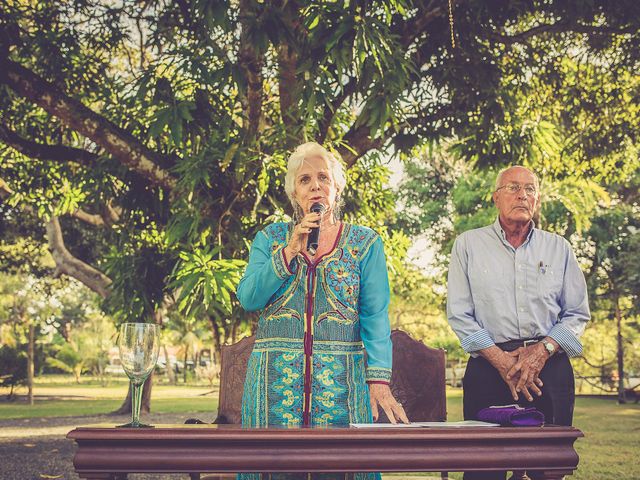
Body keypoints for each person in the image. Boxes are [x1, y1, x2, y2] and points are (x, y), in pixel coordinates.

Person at [236, 142, 408, 480]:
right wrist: (287, 253)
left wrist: (378, 380)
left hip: (343, 384)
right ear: (294, 194)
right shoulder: (270, 238)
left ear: (337, 187)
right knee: (272, 471)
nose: (315, 185)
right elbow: (249, 297)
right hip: (273, 384)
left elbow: (375, 316)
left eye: (323, 177)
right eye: (304, 180)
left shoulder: (365, 243)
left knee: (342, 468)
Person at [446, 166, 590, 480]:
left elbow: (577, 313)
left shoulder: (559, 248)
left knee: (548, 468)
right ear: (496, 197)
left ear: (537, 199)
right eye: (513, 187)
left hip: (549, 369)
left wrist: (542, 351)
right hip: (488, 367)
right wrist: (500, 360)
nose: (522, 194)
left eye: (530, 188)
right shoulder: (468, 245)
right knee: (484, 470)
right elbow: (459, 313)